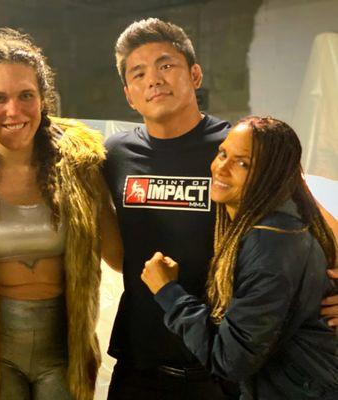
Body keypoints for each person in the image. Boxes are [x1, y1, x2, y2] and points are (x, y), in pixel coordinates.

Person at [102, 18, 338, 399]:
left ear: (194, 74)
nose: (154, 79)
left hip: (223, 367)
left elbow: (321, 227)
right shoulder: (113, 155)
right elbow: (117, 252)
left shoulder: (239, 148)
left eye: (166, 65)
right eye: (139, 72)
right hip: (140, 362)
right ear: (129, 94)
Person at [0, 28, 122, 400]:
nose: (13, 110)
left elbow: (120, 257)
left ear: (43, 99)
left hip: (64, 350)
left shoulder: (79, 167)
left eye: (26, 95)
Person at [141, 116, 338, 399]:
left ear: (270, 176)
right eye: (223, 154)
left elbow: (230, 359)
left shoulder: (272, 242)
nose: (222, 167)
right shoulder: (277, 226)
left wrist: (169, 293)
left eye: (243, 163)